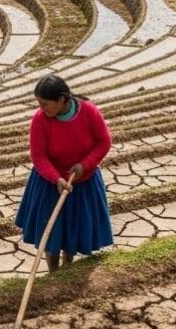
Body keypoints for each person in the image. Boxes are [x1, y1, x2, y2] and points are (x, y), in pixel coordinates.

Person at [14, 74, 113, 272]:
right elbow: (39, 156)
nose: (41, 108)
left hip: (83, 183)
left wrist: (84, 165)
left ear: (61, 100)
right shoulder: (40, 119)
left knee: (73, 230)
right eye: (39, 103)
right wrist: (56, 178)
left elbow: (104, 142)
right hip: (50, 184)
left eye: (45, 103)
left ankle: (68, 268)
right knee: (51, 233)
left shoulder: (89, 111)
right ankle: (53, 272)